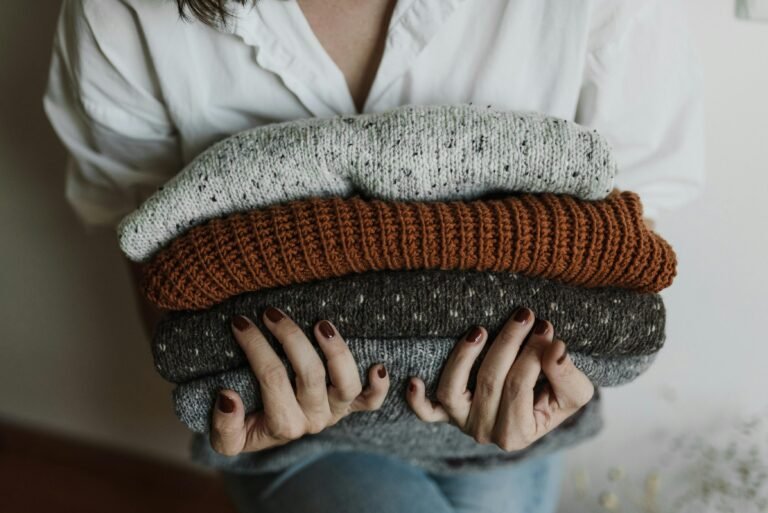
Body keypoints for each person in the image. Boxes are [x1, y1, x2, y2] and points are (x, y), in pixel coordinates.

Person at [42, 1, 704, 512]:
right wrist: (234, 398)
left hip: (514, 418)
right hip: (297, 436)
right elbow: (152, 256)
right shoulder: (125, 12)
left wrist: (570, 369)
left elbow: (630, 225)